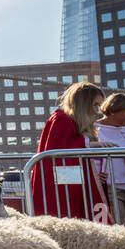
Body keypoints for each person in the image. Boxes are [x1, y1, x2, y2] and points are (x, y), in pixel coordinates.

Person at [27, 81, 111, 221]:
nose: (97, 110)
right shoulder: (61, 118)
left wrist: (94, 174)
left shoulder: (75, 121)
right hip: (62, 178)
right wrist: (92, 145)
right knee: (68, 210)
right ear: (83, 103)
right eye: (95, 105)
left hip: (69, 176)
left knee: (78, 210)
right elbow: (58, 148)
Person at [93, 93, 125, 227]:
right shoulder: (95, 129)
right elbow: (90, 155)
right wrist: (96, 174)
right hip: (111, 187)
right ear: (113, 111)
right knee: (117, 226)